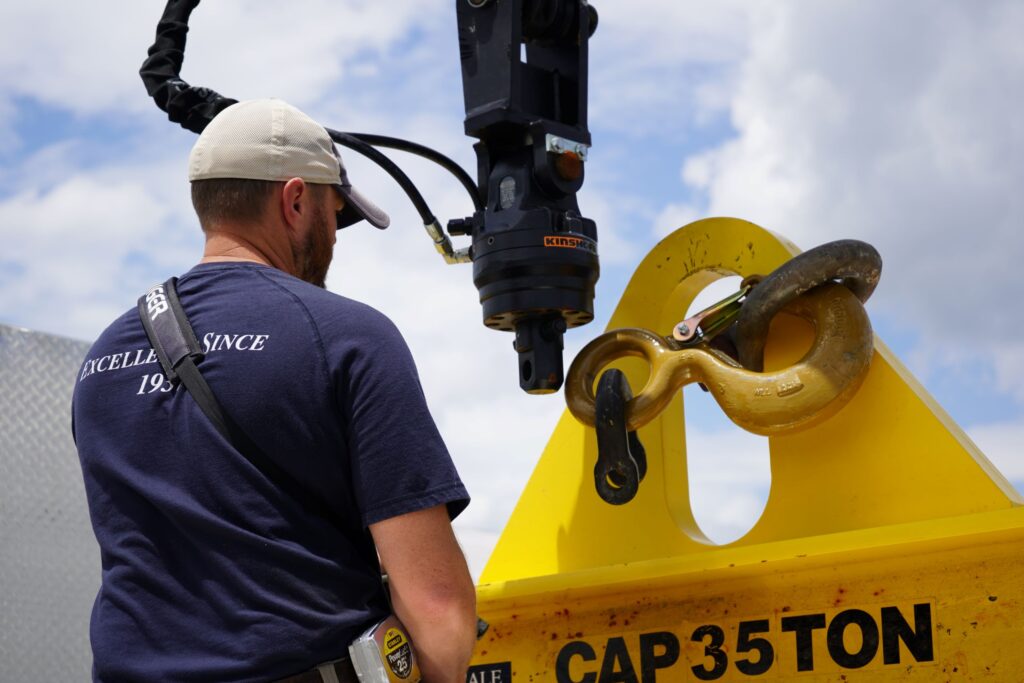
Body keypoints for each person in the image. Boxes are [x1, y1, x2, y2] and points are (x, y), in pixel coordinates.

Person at [72, 99, 477, 683]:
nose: (334, 238)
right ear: (294, 201)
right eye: (334, 215)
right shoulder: (346, 337)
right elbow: (438, 609)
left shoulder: (102, 359)